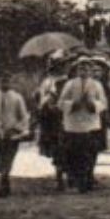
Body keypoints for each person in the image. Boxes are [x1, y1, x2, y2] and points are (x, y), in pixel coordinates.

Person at [58, 57, 109, 193]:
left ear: (90, 71)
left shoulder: (97, 85)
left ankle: (87, 178)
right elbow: (61, 102)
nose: (84, 71)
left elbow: (103, 102)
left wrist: (92, 105)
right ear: (77, 70)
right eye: (81, 68)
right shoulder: (69, 84)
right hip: (73, 123)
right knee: (74, 152)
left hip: (90, 123)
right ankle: (75, 179)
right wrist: (73, 104)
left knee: (90, 153)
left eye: (86, 69)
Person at [0, 73, 31, 198]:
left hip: (11, 134)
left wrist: (16, 129)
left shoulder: (17, 97)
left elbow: (24, 116)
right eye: (2, 81)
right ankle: (4, 178)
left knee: (8, 158)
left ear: (11, 82)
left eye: (7, 81)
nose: (5, 83)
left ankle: (4, 180)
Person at [35, 63, 69, 191]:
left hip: (54, 120)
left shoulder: (49, 82)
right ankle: (60, 177)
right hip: (54, 120)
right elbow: (42, 102)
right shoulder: (53, 83)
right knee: (60, 149)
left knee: (60, 150)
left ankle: (61, 176)